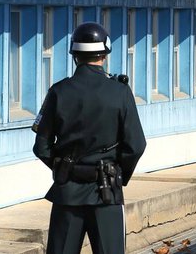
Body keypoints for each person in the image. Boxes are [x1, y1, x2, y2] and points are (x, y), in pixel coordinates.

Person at [32, 22, 147, 254]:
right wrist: (117, 172)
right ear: (104, 54)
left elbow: (41, 147)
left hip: (67, 193)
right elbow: (136, 145)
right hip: (106, 193)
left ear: (75, 55)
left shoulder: (58, 91)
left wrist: (63, 166)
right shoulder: (120, 92)